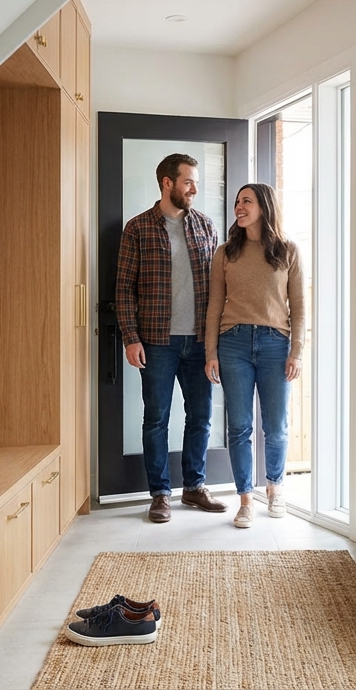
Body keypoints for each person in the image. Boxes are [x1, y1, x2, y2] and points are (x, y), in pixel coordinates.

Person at [115, 153, 225, 523]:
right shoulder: (138, 228)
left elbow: (219, 288)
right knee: (156, 418)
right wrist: (131, 337)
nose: (195, 188)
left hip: (198, 343)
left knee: (201, 417)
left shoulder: (207, 227)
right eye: (188, 181)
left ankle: (194, 487)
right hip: (157, 341)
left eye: (195, 182)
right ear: (167, 183)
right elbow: (124, 290)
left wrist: (216, 340)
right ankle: (160, 493)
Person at [203, 183, 304, 529]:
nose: (239, 207)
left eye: (246, 201)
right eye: (236, 202)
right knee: (240, 426)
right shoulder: (226, 253)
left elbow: (300, 308)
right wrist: (210, 352)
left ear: (264, 205)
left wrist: (297, 352)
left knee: (275, 427)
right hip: (233, 345)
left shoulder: (287, 250)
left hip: (276, 344)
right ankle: (245, 499)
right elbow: (214, 305)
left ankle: (275, 489)